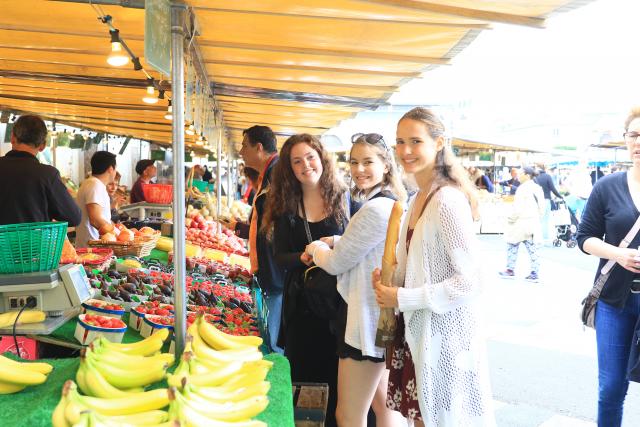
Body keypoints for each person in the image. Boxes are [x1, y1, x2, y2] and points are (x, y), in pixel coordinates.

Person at [372, 107, 494, 426]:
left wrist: (403, 297)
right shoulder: (417, 198)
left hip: (446, 340)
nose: (406, 150)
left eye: (416, 141)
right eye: (400, 142)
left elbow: (471, 281)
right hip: (421, 336)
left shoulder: (446, 200)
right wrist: (391, 279)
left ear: (439, 143)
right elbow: (419, 265)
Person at [303, 133, 406, 427]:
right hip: (383, 317)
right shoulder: (391, 203)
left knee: (348, 414)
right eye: (354, 162)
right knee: (385, 405)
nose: (359, 169)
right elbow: (370, 246)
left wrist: (316, 248)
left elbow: (335, 264)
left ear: (386, 165)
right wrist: (338, 239)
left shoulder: (375, 209)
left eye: (368, 162)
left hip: (365, 320)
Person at [264, 134, 355, 427]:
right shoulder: (285, 206)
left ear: (322, 158)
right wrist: (302, 258)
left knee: (340, 379)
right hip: (303, 306)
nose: (306, 165)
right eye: (297, 161)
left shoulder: (345, 199)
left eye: (311, 157)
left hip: (341, 305)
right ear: (289, 168)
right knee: (303, 376)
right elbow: (279, 256)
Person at [576, 108, 640, 427]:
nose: (639, 142)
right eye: (634, 135)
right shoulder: (607, 186)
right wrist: (618, 253)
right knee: (612, 387)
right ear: (626, 140)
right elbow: (584, 237)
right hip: (614, 301)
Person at [230, 125, 283, 354]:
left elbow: (276, 225)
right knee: (269, 325)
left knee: (273, 336)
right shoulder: (269, 173)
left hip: (275, 270)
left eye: (244, 146)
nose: (241, 151)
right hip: (268, 268)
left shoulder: (277, 175)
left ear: (259, 148)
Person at [0, 114, 81, 226]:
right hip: (34, 242)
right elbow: (74, 217)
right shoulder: (48, 175)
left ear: (12, 138)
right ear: (43, 145)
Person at [498, 167, 545, 282]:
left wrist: (510, 219)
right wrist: (536, 217)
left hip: (520, 222)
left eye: (520, 173)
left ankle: (510, 270)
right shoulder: (537, 188)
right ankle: (534, 272)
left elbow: (517, 208)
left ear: (527, 175)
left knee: (512, 245)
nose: (518, 176)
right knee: (532, 248)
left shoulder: (522, 189)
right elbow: (542, 208)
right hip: (532, 222)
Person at [75, 151, 118, 247]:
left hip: (92, 247)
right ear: (111, 169)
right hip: (93, 248)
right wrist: (117, 235)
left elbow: (102, 217)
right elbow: (95, 219)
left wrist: (117, 230)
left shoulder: (92, 183)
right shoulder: (94, 185)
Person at [534, 163, 563, 245]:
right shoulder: (547, 176)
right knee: (545, 220)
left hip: (536, 201)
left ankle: (536, 239)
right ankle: (544, 238)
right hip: (546, 200)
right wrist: (560, 196)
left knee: (537, 220)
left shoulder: (534, 177)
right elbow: (553, 189)